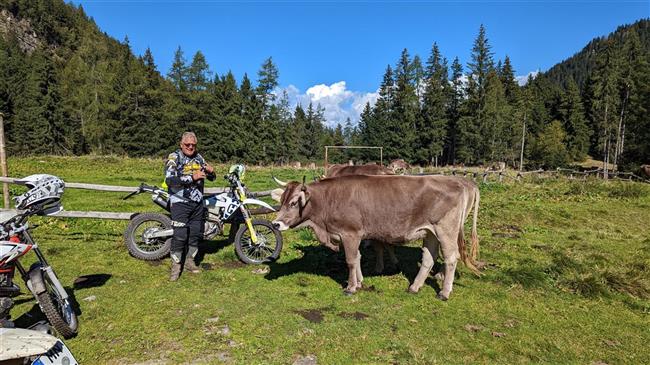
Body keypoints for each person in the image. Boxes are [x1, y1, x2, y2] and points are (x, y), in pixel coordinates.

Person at [165, 132, 215, 281]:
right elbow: (170, 180)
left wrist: (212, 172)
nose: (191, 147)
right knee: (179, 236)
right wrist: (192, 177)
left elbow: (211, 178)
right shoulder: (174, 157)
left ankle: (190, 262)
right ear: (181, 144)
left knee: (194, 235)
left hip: (197, 203)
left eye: (193, 145)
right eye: (187, 144)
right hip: (180, 202)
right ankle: (176, 267)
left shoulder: (199, 158)